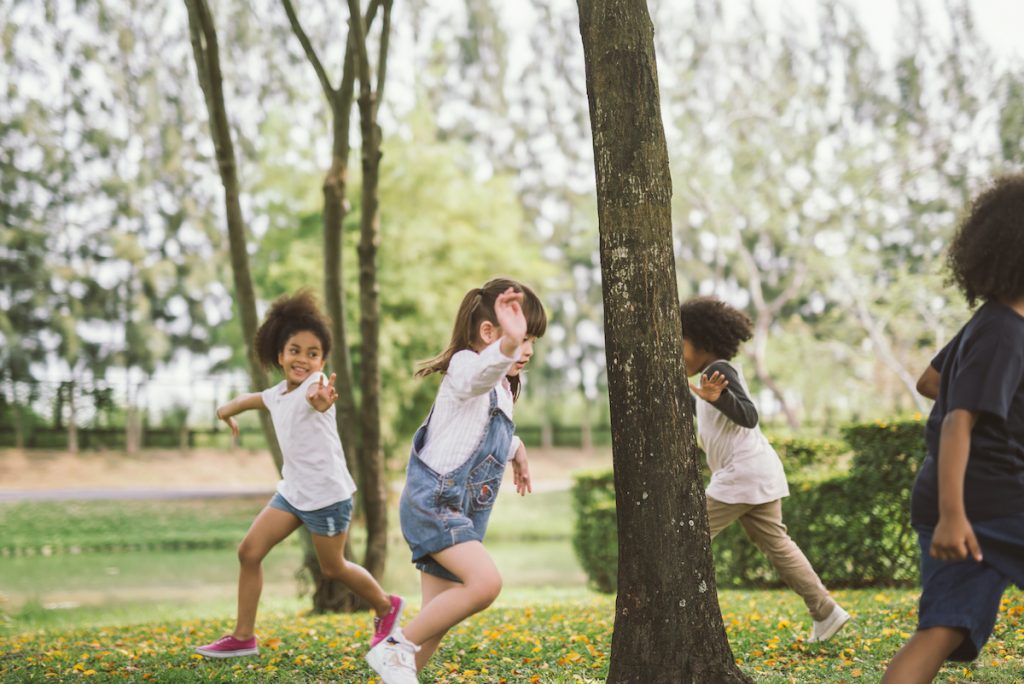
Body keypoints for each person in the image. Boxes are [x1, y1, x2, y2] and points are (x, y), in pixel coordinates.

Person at [195, 290, 403, 658]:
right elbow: (249, 400)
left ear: (322, 361)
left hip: (326, 496)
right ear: (280, 355)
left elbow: (318, 398)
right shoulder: (277, 393)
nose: (303, 359)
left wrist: (322, 398)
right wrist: (224, 411)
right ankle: (244, 637)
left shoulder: (315, 388)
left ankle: (386, 607)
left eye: (313, 353)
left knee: (334, 566)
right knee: (249, 552)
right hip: (293, 493)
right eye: (295, 350)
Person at [365, 278, 546, 683]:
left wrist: (516, 449)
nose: (528, 349)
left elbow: (475, 431)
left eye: (531, 339)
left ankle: (401, 670)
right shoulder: (468, 366)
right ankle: (392, 648)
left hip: (458, 510)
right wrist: (508, 346)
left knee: (436, 618)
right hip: (434, 503)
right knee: (485, 584)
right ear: (488, 333)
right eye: (523, 338)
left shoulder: (505, 387)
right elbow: (477, 379)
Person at [883, 175, 1024, 683]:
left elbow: (930, 381)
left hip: (965, 500)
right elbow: (959, 420)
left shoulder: (990, 324)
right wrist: (952, 515)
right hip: (989, 501)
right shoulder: (1005, 333)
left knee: (943, 629)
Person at [679, 296, 850, 643]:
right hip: (756, 470)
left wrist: (718, 399)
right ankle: (826, 611)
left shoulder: (720, 372)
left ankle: (681, 620)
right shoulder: (707, 381)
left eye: (680, 342)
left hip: (742, 474)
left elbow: (749, 414)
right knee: (778, 546)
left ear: (703, 342)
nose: (676, 351)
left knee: (685, 539)